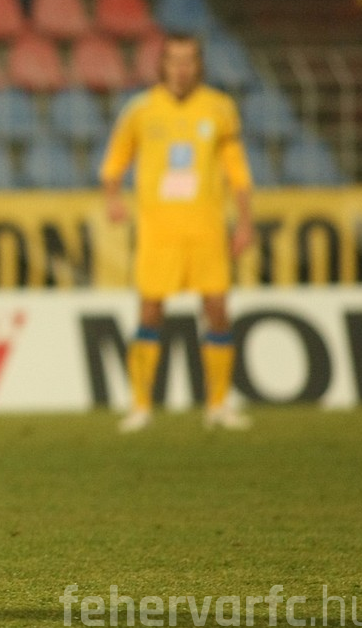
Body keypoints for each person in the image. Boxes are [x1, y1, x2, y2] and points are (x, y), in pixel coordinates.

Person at [99, 33, 255, 434]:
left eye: (188, 60)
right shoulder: (141, 110)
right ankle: (140, 406)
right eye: (174, 60)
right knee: (150, 311)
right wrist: (112, 198)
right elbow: (116, 160)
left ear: (199, 65)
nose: (181, 69)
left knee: (217, 311)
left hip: (206, 229)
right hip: (159, 231)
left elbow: (237, 170)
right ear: (162, 65)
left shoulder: (219, 109)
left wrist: (245, 222)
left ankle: (218, 406)